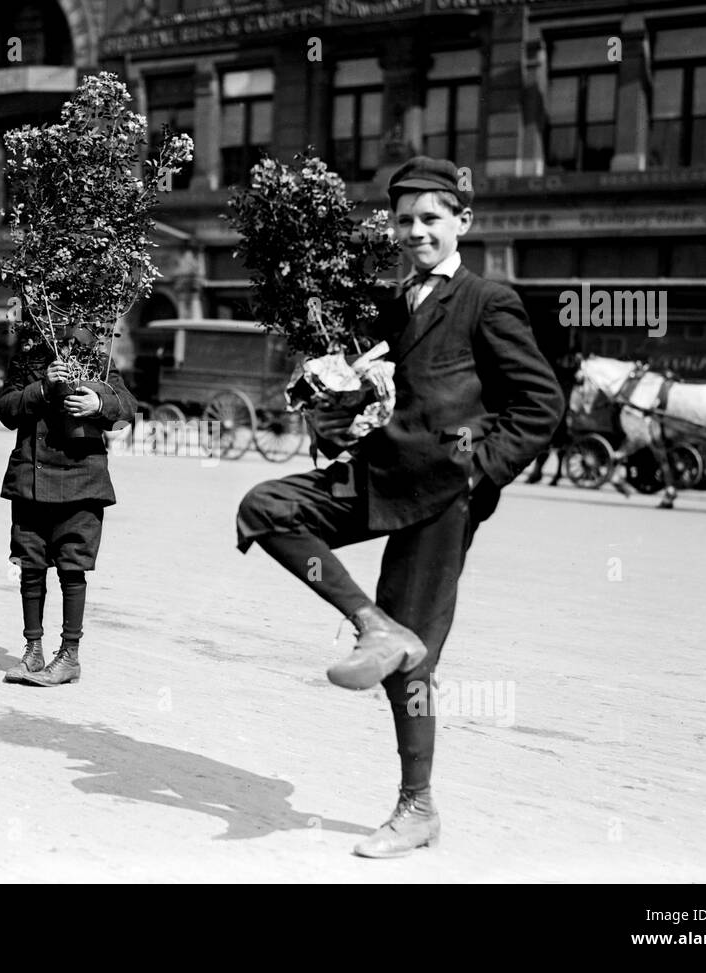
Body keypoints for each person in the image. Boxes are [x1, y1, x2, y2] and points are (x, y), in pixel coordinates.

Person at [235, 157, 563, 857]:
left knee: (416, 663)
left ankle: (417, 807)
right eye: (405, 219)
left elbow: (541, 405)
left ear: (462, 224)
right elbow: (369, 403)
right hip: (374, 475)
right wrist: (331, 410)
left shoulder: (487, 301)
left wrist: (477, 475)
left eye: (431, 220)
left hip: (441, 496)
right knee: (266, 506)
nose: (415, 231)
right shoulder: (392, 305)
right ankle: (369, 622)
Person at [0, 334, 137, 687]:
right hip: (31, 478)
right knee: (30, 564)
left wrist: (98, 404)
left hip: (82, 481)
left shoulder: (96, 359)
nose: (61, 323)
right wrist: (42, 387)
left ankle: (69, 655)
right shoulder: (28, 358)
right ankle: (33, 650)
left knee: (72, 567)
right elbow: (5, 410)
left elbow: (127, 408)